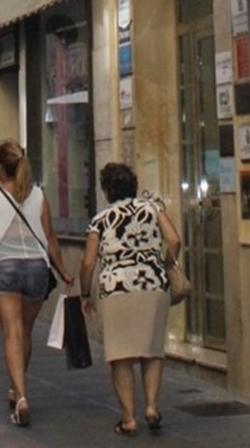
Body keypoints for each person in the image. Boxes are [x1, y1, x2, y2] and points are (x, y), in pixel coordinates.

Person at [0, 140, 73, 427]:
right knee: (25, 333)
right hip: (37, 268)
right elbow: (50, 239)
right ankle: (16, 388)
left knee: (12, 332)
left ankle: (21, 395)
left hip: (6, 269)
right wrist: (63, 272)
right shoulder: (39, 196)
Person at [79, 163, 181, 436]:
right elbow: (174, 239)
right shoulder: (152, 208)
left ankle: (129, 419)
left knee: (120, 355)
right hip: (153, 286)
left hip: (116, 290)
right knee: (152, 350)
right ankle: (151, 406)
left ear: (106, 190)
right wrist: (162, 264)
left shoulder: (100, 221)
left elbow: (88, 264)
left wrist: (85, 293)